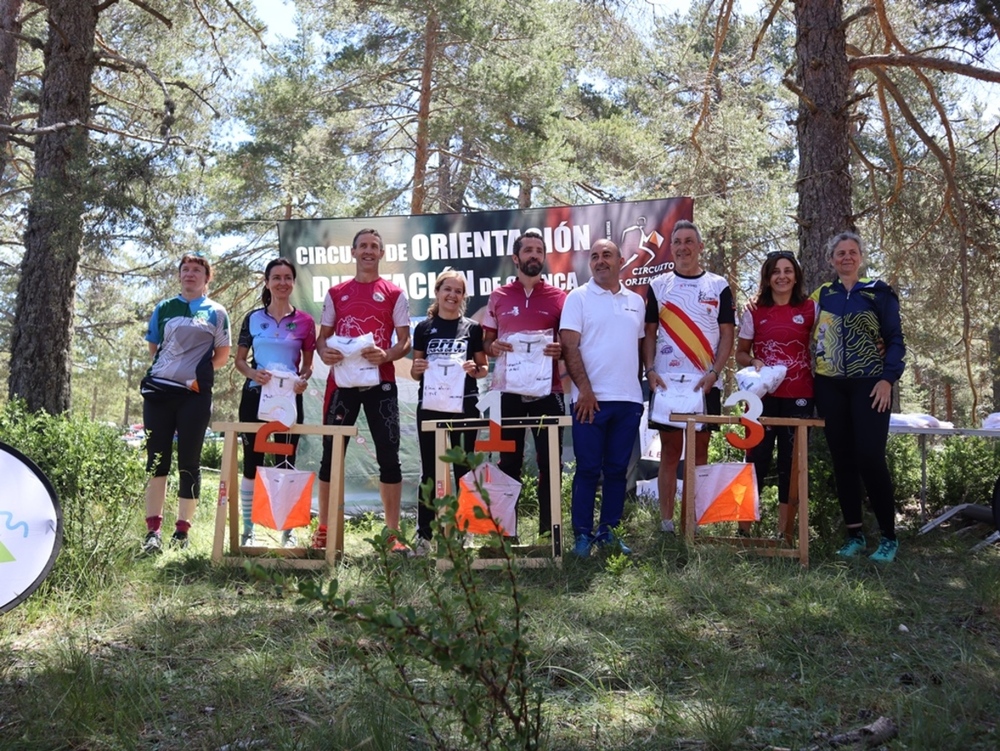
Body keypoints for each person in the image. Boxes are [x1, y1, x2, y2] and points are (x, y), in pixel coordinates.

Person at [315, 228, 411, 552]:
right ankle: (325, 529)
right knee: (331, 456)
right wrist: (323, 351)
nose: (369, 251)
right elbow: (322, 338)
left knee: (389, 456)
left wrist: (388, 354)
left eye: (375, 246)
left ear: (381, 254)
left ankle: (392, 533)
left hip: (380, 383)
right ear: (353, 252)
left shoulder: (395, 293)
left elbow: (405, 340)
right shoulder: (336, 292)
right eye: (363, 246)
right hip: (342, 384)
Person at [812, 231, 905, 562]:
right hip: (829, 385)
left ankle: (889, 538)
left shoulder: (878, 292)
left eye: (852, 252)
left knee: (870, 457)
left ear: (861, 257)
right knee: (843, 461)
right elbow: (798, 329)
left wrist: (887, 378)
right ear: (831, 259)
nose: (846, 257)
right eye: (840, 253)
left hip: (870, 385)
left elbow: (894, 339)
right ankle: (855, 536)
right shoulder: (821, 295)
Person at [643, 220, 735, 534]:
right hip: (668, 382)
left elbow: (727, 335)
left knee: (699, 453)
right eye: (678, 242)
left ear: (700, 247)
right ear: (672, 248)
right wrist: (650, 371)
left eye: (689, 241)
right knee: (670, 451)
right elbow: (649, 334)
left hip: (704, 383)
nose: (683, 247)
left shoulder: (718, 285)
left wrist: (715, 372)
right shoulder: (658, 285)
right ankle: (667, 523)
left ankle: (693, 521)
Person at [140, 253, 231, 553]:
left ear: (207, 278)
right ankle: (153, 532)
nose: (190, 274)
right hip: (159, 393)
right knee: (157, 460)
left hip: (194, 395)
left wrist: (195, 376)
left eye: (197, 270)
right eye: (185, 270)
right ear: (179, 276)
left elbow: (221, 356)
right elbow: (156, 348)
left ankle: (182, 532)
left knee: (189, 461)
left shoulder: (217, 312)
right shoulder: (164, 308)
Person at [561, 239, 646, 557]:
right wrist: (584, 390)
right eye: (594, 256)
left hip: (628, 400)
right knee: (586, 469)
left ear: (621, 261)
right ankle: (582, 535)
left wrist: (636, 391)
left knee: (616, 470)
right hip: (589, 400)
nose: (600, 261)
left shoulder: (636, 302)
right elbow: (569, 346)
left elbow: (637, 349)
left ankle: (608, 532)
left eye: (606, 255)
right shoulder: (578, 298)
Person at [482, 230, 565, 538]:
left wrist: (560, 350)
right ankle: (505, 533)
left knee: (550, 463)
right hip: (505, 392)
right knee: (507, 462)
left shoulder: (560, 298)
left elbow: (568, 344)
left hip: (549, 392)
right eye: (528, 250)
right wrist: (494, 348)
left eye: (539, 250)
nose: (534, 255)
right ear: (516, 258)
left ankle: (550, 533)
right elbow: (487, 342)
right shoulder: (499, 296)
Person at [233, 258, 316, 547]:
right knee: (252, 464)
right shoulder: (253, 318)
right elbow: (240, 361)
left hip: (289, 400)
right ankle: (247, 530)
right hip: (256, 397)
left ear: (293, 283)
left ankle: (287, 532)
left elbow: (308, 366)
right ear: (267, 282)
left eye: (287, 277)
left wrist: (303, 379)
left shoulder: (305, 321)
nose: (282, 282)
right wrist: (254, 373)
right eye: (276, 277)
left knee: (286, 462)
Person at [735, 251, 816, 539]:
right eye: (776, 271)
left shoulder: (811, 308)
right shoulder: (754, 310)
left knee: (790, 463)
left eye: (788, 271)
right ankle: (744, 530)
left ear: (796, 276)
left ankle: (786, 534)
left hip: (800, 394)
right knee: (756, 457)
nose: (782, 276)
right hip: (762, 397)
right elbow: (740, 353)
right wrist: (753, 362)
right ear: (768, 278)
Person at [410, 270, 489, 556]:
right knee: (430, 472)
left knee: (464, 470)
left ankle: (465, 531)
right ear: (438, 292)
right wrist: (417, 369)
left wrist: (474, 369)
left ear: (463, 297)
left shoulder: (472, 328)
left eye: (458, 291)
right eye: (447, 289)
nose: (452, 295)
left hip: (465, 405)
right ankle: (424, 536)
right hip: (430, 406)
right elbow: (415, 371)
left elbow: (483, 368)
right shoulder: (423, 328)